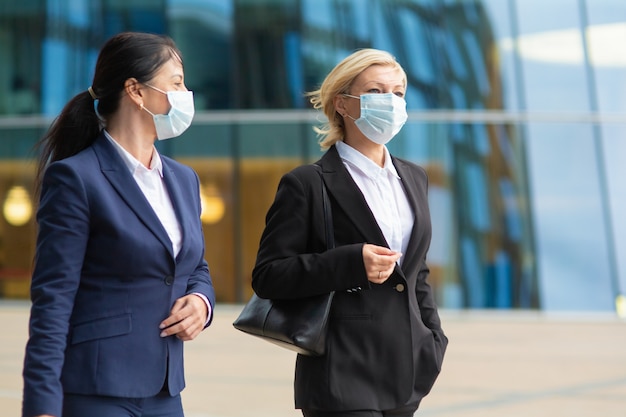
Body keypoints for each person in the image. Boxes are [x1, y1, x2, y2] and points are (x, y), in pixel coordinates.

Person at [21, 32, 215, 417]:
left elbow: (195, 267)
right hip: (96, 390)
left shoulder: (183, 179)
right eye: (176, 83)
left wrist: (202, 302)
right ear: (135, 91)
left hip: (165, 389)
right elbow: (54, 298)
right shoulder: (77, 178)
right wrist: (41, 403)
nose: (185, 93)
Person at [252, 48, 448, 417]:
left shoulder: (414, 177)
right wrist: (349, 262)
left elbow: (417, 271)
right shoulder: (306, 183)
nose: (390, 101)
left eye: (398, 93)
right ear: (342, 104)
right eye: (375, 91)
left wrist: (433, 341)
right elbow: (268, 276)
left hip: (406, 373)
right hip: (340, 374)